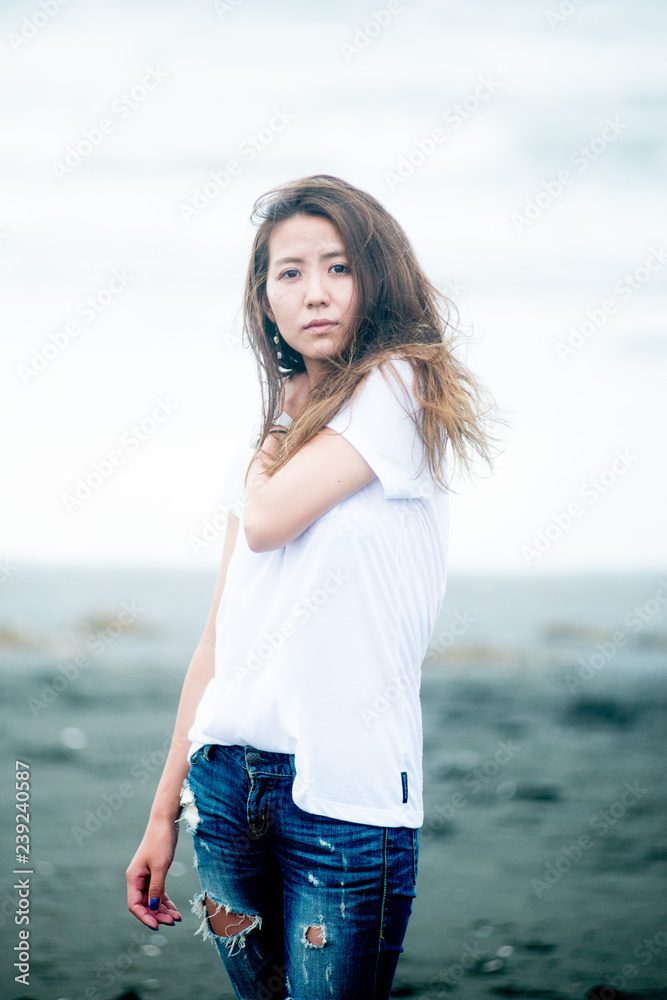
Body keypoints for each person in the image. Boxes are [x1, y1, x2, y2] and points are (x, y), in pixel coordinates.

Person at [126, 174, 502, 999]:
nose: (315, 293)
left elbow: (266, 521)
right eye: (289, 273)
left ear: (377, 278)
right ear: (264, 301)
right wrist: (162, 811)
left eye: (338, 267)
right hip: (225, 784)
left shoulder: (402, 385)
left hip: (344, 794)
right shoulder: (273, 434)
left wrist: (286, 410)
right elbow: (220, 635)